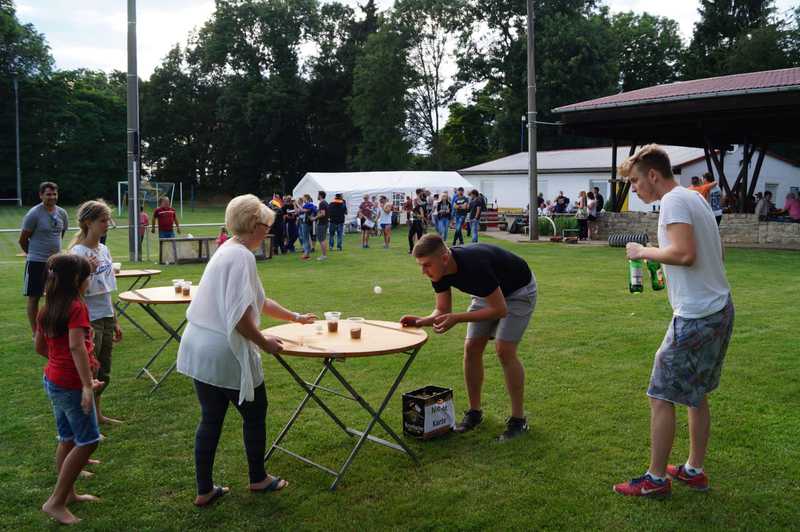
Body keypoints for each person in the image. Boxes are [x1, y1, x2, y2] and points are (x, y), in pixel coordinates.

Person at [176, 194, 316, 507]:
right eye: (266, 226)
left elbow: (258, 301)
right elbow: (239, 316)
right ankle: (258, 478)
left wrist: (295, 317)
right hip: (222, 348)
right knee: (255, 413)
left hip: (199, 345)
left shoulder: (229, 249)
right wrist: (264, 342)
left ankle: (204, 490)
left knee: (211, 418)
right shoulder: (241, 257)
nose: (268, 232)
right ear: (254, 225)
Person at [614, 144, 734, 498]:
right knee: (696, 394)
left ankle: (655, 480)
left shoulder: (673, 201)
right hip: (719, 308)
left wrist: (643, 251)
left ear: (653, 175)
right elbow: (716, 251)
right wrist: (666, 262)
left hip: (696, 316)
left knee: (659, 393)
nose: (634, 188)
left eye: (635, 181)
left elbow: (684, 253)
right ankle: (693, 470)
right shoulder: (694, 197)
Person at [401, 235, 537, 441]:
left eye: (427, 265)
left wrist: (457, 318)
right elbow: (442, 309)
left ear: (444, 258)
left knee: (504, 350)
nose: (423, 271)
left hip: (519, 291)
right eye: (421, 266)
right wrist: (421, 321)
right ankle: (474, 413)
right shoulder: (438, 272)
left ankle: (518, 420)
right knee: (471, 348)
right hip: (488, 293)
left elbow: (500, 310)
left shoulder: (475, 265)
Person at [35, 253, 102, 525]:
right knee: (88, 441)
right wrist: (86, 385)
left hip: (54, 380)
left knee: (67, 438)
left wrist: (61, 366)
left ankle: (69, 494)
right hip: (71, 385)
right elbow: (75, 346)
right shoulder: (76, 307)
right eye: (88, 277)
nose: (89, 281)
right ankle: (56, 501)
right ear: (77, 280)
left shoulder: (47, 307)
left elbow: (40, 347)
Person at [69, 200, 123, 425]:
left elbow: (106, 289)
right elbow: (73, 292)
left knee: (103, 371)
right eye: (103, 220)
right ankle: (86, 420)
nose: (107, 224)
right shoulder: (77, 253)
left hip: (106, 315)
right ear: (88, 223)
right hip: (88, 318)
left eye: (108, 220)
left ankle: (97, 415)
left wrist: (115, 319)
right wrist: (87, 271)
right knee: (89, 370)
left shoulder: (104, 249)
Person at [20, 182, 69, 335]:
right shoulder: (34, 214)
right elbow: (23, 240)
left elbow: (60, 234)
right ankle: (36, 333)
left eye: (54, 194)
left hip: (56, 263)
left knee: (57, 296)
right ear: (41, 195)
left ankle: (52, 328)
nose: (52, 197)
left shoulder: (62, 213)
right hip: (36, 262)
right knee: (34, 297)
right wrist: (33, 255)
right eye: (48, 194)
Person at [408, 189, 426, 253]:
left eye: (415, 201)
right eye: (414, 201)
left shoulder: (420, 207)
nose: (414, 202)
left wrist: (416, 215)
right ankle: (411, 249)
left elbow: (422, 216)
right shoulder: (414, 208)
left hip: (418, 223)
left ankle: (420, 250)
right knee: (410, 236)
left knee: (419, 237)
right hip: (414, 222)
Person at [299, 195, 317, 260]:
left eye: (303, 198)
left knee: (305, 239)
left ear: (306, 198)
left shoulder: (308, 205)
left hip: (306, 223)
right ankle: (307, 253)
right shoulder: (310, 205)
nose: (303, 199)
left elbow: (302, 210)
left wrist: (296, 204)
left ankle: (306, 254)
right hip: (308, 223)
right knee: (306, 238)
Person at [315, 191, 330, 261]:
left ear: (320, 196)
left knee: (321, 240)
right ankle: (324, 255)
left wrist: (315, 217)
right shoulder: (325, 202)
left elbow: (323, 214)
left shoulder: (322, 203)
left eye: (318, 195)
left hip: (322, 223)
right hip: (325, 223)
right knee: (323, 239)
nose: (317, 196)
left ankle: (324, 255)